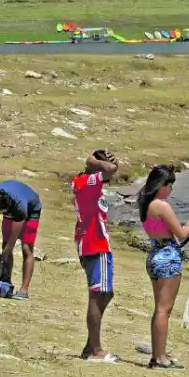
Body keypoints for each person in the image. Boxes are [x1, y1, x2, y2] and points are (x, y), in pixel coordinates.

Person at [138, 165, 189, 370]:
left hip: (155, 254)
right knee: (164, 310)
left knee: (159, 309)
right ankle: (160, 358)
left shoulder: (145, 204)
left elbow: (167, 230)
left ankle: (158, 354)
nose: (171, 190)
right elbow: (182, 234)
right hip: (168, 257)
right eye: (170, 185)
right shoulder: (162, 205)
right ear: (162, 185)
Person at [71, 150, 120, 363]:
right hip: (94, 244)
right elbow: (109, 170)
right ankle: (95, 350)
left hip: (95, 243)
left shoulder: (88, 183)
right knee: (97, 294)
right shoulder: (86, 181)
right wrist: (96, 161)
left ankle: (90, 345)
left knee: (106, 294)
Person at [0, 180, 42, 300]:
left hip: (31, 210)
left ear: (8, 206)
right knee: (5, 245)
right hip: (12, 206)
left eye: (2, 212)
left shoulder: (19, 206)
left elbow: (15, 234)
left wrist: (5, 252)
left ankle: (24, 290)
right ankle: (6, 284)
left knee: (26, 248)